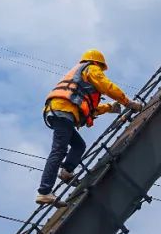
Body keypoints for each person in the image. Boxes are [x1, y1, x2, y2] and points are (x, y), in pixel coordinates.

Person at [36, 50, 143, 205]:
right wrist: (128, 102)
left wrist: (108, 108)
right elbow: (107, 86)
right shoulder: (91, 68)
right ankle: (44, 192)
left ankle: (66, 171)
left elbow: (86, 108)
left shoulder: (79, 75)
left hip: (60, 111)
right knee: (59, 149)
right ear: (98, 63)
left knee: (79, 145)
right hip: (63, 112)